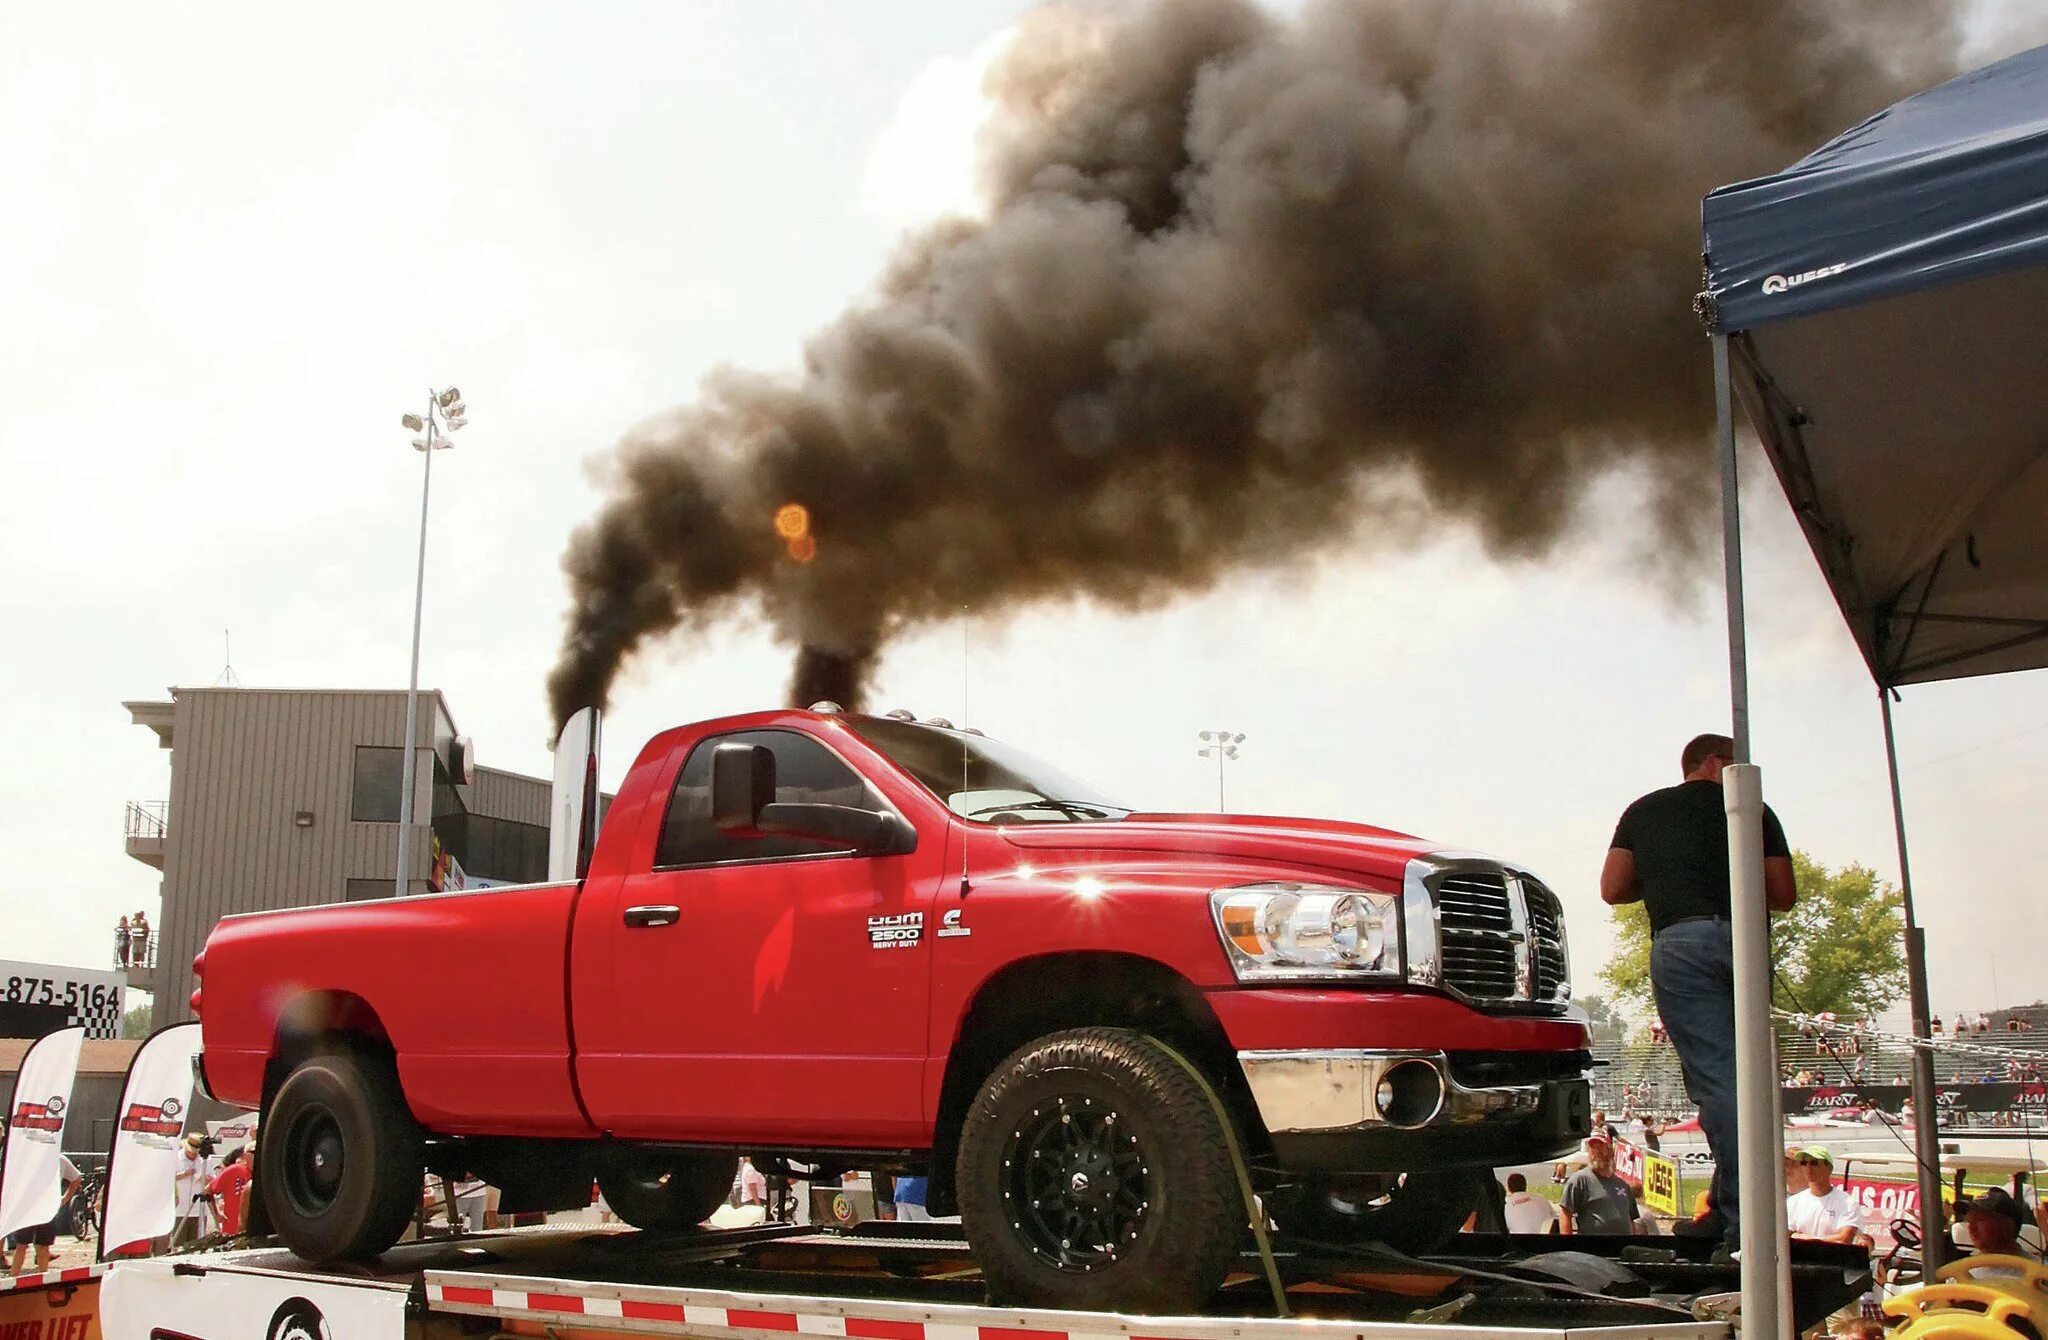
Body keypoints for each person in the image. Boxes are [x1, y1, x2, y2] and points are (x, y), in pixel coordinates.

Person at [1601, 732, 1797, 1248]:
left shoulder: (1644, 810)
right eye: (1736, 762)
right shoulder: (1754, 810)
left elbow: (1612, 888)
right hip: (1746, 938)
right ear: (1712, 763)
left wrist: (1664, 879)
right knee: (1740, 1075)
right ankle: (1734, 1208)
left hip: (1681, 941)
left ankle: (1740, 1217)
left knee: (1720, 1080)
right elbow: (1783, 893)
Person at [5, 1154, 81, 1275]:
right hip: (27, 1208)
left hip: (47, 1208)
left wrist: (65, 1198)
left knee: (43, 1246)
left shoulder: (59, 1158)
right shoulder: (30, 1155)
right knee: (22, 1245)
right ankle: (13, 1278)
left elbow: (77, 1178)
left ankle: (43, 1276)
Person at [1784, 1147, 1868, 1246]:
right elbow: (1785, 1237)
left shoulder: (1848, 1203)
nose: (1808, 1168)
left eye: (1814, 1163)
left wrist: (1803, 1237)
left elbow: (1843, 1240)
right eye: (1804, 1163)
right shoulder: (1793, 1202)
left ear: (1829, 1169)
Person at [1560, 1135, 1640, 1236]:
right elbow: (1565, 1214)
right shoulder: (1579, 1180)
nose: (1597, 1152)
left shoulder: (1623, 1185)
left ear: (1610, 1150)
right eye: (1593, 1147)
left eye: (1601, 1147)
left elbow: (1631, 1220)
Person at [1958, 1188, 2039, 1269]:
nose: (1972, 1229)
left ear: (2007, 1226)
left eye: (1980, 1220)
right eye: (1969, 1221)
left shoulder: (2039, 1272)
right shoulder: (1962, 1270)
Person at [205, 1146, 254, 1239]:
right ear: (246, 1156)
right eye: (253, 1153)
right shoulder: (234, 1170)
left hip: (253, 1232)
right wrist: (216, 1214)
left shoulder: (266, 1175)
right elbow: (208, 1190)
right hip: (231, 1231)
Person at [171, 1133, 209, 1247]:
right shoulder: (176, 1157)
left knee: (195, 1245)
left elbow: (213, 1179)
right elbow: (169, 1178)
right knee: (178, 1245)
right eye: (191, 1152)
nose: (193, 1154)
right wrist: (185, 1174)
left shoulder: (205, 1159)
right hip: (180, 1210)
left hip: (198, 1210)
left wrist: (202, 1177)